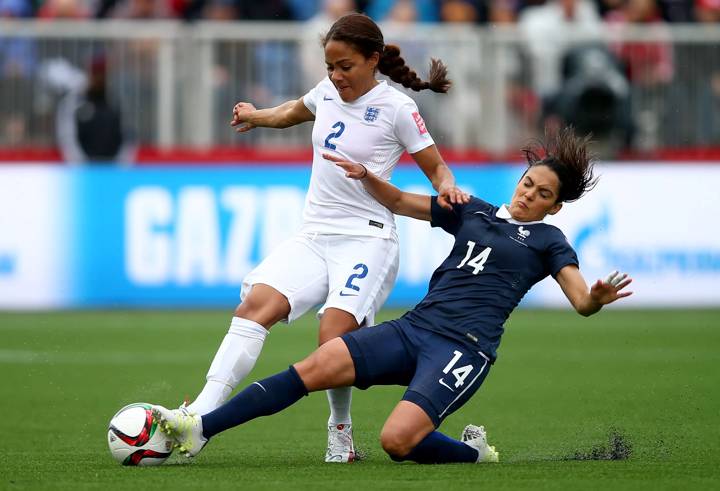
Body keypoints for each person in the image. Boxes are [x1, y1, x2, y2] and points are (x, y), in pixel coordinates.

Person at [152, 127, 633, 465]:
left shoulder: (550, 242)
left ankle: (472, 451)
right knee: (313, 367)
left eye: (543, 194)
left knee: (397, 442)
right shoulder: (474, 212)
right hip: (414, 328)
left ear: (556, 205)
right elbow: (402, 202)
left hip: (462, 349)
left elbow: (580, 301)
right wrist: (367, 177)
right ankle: (201, 429)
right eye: (529, 183)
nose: (530, 195)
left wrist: (596, 296)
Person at [181, 12, 467, 463]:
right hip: (314, 233)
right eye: (329, 67)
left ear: (373, 60)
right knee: (256, 305)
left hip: (367, 238)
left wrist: (446, 187)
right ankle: (198, 414)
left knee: (333, 337)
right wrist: (257, 117)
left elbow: (436, 167)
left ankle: (341, 433)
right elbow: (292, 112)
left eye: (345, 66)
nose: (336, 76)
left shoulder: (397, 108)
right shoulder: (327, 92)